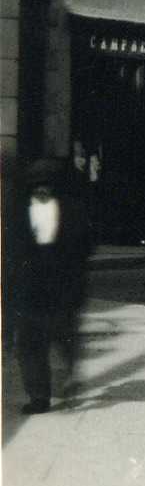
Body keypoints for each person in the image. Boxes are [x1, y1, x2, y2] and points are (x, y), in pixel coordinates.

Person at [5, 158, 94, 413]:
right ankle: (39, 397)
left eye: (47, 184)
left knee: (63, 336)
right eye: (36, 184)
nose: (42, 189)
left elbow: (86, 246)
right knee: (30, 343)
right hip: (30, 286)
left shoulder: (73, 210)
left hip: (61, 285)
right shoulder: (17, 213)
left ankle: (71, 372)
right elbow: (11, 250)